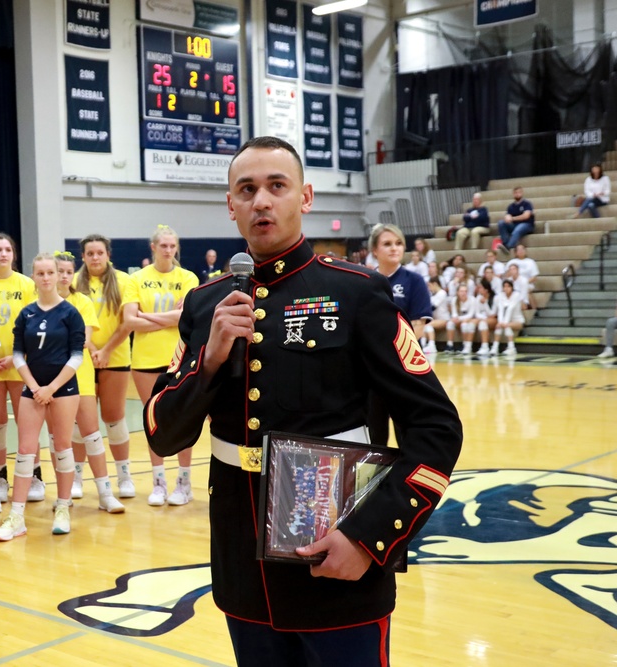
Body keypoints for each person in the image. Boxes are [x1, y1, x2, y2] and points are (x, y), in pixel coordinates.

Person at [142, 136, 462, 666]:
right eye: (247, 189)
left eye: (276, 186)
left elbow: (436, 428)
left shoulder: (357, 292)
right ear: (230, 204)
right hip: (243, 566)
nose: (261, 201)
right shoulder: (204, 305)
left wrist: (368, 538)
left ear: (305, 197)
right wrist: (210, 361)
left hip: (338, 559)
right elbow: (161, 431)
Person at [0, 253, 86, 541]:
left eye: (51, 272)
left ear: (59, 276)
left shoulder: (70, 313)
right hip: (32, 388)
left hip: (63, 389)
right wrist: (34, 386)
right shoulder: (26, 314)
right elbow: (19, 353)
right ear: (33, 277)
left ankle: (62, 508)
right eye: (40, 273)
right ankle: (17, 516)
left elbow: (77, 355)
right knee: (25, 450)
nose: (46, 278)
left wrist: (52, 388)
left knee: (62, 446)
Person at [124, 225, 199, 507]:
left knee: (182, 418)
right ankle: (158, 482)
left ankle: (184, 482)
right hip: (144, 359)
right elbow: (130, 321)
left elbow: (187, 318)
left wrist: (149, 316)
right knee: (152, 420)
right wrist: (170, 317)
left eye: (172, 245)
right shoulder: (138, 278)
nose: (168, 250)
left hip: (179, 357)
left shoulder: (188, 277)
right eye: (163, 245)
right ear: (153, 248)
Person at [55, 251, 125, 513]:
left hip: (78, 374)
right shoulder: (36, 304)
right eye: (57, 271)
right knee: (58, 438)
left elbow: (81, 339)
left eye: (66, 271)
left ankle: (105, 493)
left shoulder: (81, 301)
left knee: (92, 434)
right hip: (47, 378)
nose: (62, 276)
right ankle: (65, 493)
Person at [0, 233, 39, 504]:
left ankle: (34, 475)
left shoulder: (27, 284)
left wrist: (17, 356)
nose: (3, 254)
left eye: (8, 250)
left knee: (28, 423)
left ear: (14, 255)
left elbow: (35, 324)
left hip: (20, 362)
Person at [73, 234, 137, 499]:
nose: (95, 258)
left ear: (108, 254)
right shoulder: (75, 282)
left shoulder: (124, 281)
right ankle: (76, 477)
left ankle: (124, 476)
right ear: (83, 257)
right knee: (80, 423)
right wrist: (90, 350)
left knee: (114, 419)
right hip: (81, 360)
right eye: (90, 254)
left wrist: (106, 350)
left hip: (115, 358)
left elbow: (128, 322)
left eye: (100, 253)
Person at [367, 223, 432, 446]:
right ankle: (373, 481)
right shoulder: (363, 281)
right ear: (374, 250)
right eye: (387, 244)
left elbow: (417, 327)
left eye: (398, 243)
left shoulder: (414, 281)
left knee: (407, 433)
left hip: (403, 369)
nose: (394, 248)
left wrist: (387, 355)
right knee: (373, 437)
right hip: (370, 371)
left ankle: (404, 481)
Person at [497, 186, 535, 257]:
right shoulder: (511, 206)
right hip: (514, 225)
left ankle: (509, 247)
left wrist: (513, 218)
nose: (517, 194)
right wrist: (507, 218)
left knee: (518, 229)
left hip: (527, 225)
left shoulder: (527, 204)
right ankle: (505, 243)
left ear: (522, 193)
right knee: (501, 223)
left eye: (519, 192)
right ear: (513, 194)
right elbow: (507, 216)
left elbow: (526, 216)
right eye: (515, 193)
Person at [491, 279, 524, 356]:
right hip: (505, 320)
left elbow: (510, 308)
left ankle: (512, 348)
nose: (506, 288)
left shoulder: (516, 295)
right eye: (504, 286)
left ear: (512, 287)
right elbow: (500, 310)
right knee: (500, 326)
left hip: (517, 321)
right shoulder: (500, 296)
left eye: (508, 286)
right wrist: (500, 322)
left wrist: (504, 323)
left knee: (507, 326)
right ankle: (495, 347)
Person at [421, 277, 449, 355]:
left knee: (427, 324)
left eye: (429, 285)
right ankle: (422, 345)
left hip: (444, 319)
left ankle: (432, 345)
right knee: (422, 324)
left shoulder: (442, 293)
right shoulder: (432, 294)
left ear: (435, 284)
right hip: (435, 319)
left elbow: (433, 307)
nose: (428, 288)